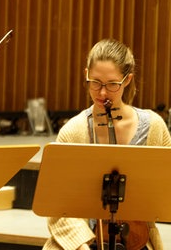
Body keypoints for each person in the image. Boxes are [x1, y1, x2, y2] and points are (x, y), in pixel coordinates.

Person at [43, 38, 171, 250]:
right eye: (95, 82)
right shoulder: (72, 132)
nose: (102, 93)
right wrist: (82, 246)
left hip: (136, 241)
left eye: (112, 84)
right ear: (86, 75)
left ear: (127, 80)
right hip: (83, 244)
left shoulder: (154, 127)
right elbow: (59, 209)